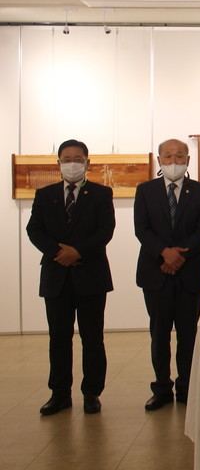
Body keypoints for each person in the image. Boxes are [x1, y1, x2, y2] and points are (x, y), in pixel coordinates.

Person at [27, 139, 116, 416]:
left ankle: (92, 393)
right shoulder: (45, 194)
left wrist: (78, 252)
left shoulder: (101, 193)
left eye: (78, 159)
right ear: (59, 163)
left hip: (91, 275)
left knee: (92, 338)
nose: (72, 164)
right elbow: (34, 230)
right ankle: (60, 393)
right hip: (56, 277)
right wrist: (59, 252)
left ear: (88, 163)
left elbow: (105, 230)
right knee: (58, 338)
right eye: (67, 159)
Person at [134, 139, 200, 410]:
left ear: (188, 161)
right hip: (155, 272)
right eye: (168, 156)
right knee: (159, 333)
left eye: (179, 156)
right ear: (159, 160)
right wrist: (164, 253)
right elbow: (142, 229)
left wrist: (179, 256)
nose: (174, 161)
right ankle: (162, 387)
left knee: (188, 333)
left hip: (188, 272)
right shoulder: (145, 190)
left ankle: (187, 386)